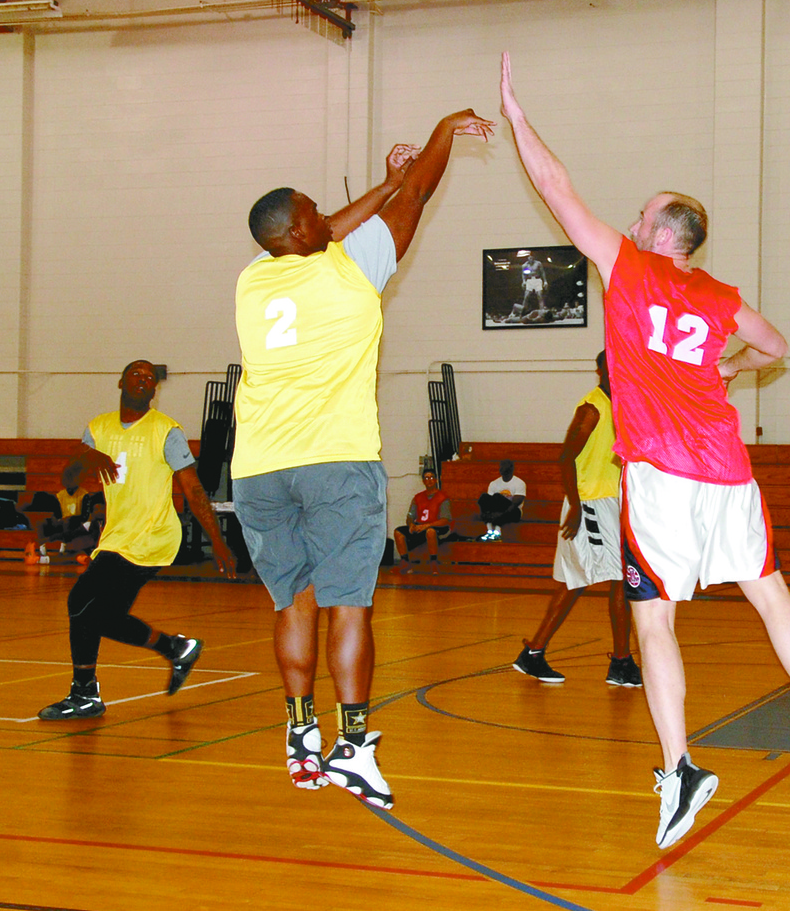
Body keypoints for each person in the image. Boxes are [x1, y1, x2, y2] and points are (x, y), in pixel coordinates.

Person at [500, 50, 790, 850]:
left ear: (663, 235)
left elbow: (557, 190)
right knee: (771, 595)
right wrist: (728, 368)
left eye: (641, 214)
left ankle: (682, 768)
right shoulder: (720, 296)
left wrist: (519, 117)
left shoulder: (629, 267)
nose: (630, 222)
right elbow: (774, 344)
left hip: (661, 473)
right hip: (729, 470)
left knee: (655, 621)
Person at [233, 109, 494, 810]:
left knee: (293, 600)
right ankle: (352, 746)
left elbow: (328, 226)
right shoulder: (351, 274)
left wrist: (379, 186)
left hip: (257, 468)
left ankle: (299, 737)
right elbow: (420, 197)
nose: (328, 216)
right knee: (349, 605)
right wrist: (438, 138)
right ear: (301, 234)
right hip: (335, 463)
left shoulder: (254, 278)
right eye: (316, 212)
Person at [37, 360, 238, 721]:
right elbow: (69, 476)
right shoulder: (98, 427)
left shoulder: (166, 431)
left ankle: (84, 693)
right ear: (121, 382)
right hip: (116, 537)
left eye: (150, 377)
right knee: (102, 615)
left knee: (81, 601)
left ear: (154, 390)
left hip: (152, 537)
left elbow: (192, 489)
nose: (144, 380)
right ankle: (176, 648)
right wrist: (86, 454)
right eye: (137, 374)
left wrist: (219, 542)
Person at [513, 351, 640, 687]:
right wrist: (575, 505)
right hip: (590, 503)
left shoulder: (624, 405)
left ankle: (535, 653)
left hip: (611, 501)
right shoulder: (592, 408)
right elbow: (566, 457)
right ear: (600, 370)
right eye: (610, 365)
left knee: (577, 580)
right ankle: (621, 661)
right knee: (617, 579)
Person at [393, 468, 454, 574]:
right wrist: (411, 524)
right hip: (420, 526)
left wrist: (427, 526)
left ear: (436, 480)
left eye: (431, 477)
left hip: (437, 527)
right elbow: (410, 516)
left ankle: (434, 563)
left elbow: (445, 520)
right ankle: (405, 562)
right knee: (398, 532)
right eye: (426, 478)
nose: (429, 480)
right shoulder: (417, 498)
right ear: (423, 481)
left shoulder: (443, 498)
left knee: (430, 531)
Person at [477, 459, 526, 541]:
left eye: (504, 466)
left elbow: (516, 503)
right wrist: (489, 514)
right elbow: (488, 503)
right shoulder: (494, 483)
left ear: (511, 468)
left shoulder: (519, 483)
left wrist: (500, 514)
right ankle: (489, 530)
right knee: (484, 497)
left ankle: (496, 531)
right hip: (496, 511)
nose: (501, 468)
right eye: (501, 467)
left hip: (514, 512)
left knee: (497, 496)